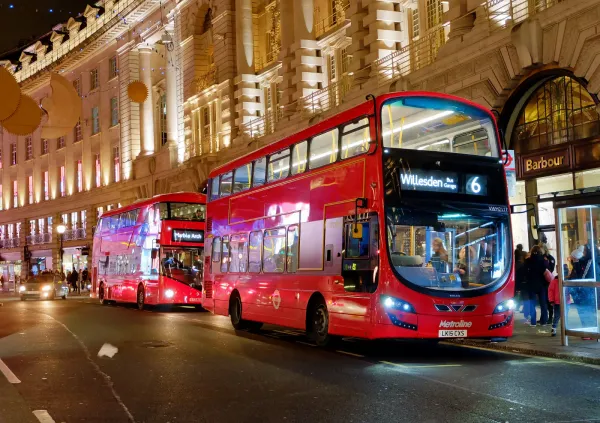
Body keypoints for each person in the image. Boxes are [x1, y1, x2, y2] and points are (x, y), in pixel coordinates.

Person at [524, 245, 549, 327]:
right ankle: (544, 321)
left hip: (531, 284)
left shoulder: (528, 260)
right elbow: (546, 271)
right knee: (543, 303)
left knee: (532, 303)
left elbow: (525, 272)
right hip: (542, 284)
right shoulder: (543, 261)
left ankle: (533, 321)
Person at [540, 244, 556, 323]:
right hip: (542, 281)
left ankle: (550, 317)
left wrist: (546, 263)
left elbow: (551, 270)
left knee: (548, 299)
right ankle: (544, 317)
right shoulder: (541, 258)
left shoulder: (550, 258)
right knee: (543, 300)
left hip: (548, 281)